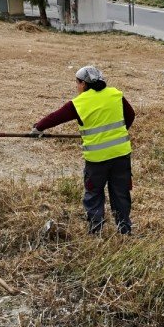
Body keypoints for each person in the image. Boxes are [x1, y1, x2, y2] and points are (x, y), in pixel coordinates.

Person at [32, 65, 135, 235]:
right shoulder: (115, 94)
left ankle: (96, 231)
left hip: (97, 159)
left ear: (84, 84)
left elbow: (55, 117)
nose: (77, 87)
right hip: (121, 155)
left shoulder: (79, 103)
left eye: (77, 83)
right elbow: (130, 115)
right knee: (121, 193)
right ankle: (124, 229)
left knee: (94, 194)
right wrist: (117, 133)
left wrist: (38, 128)